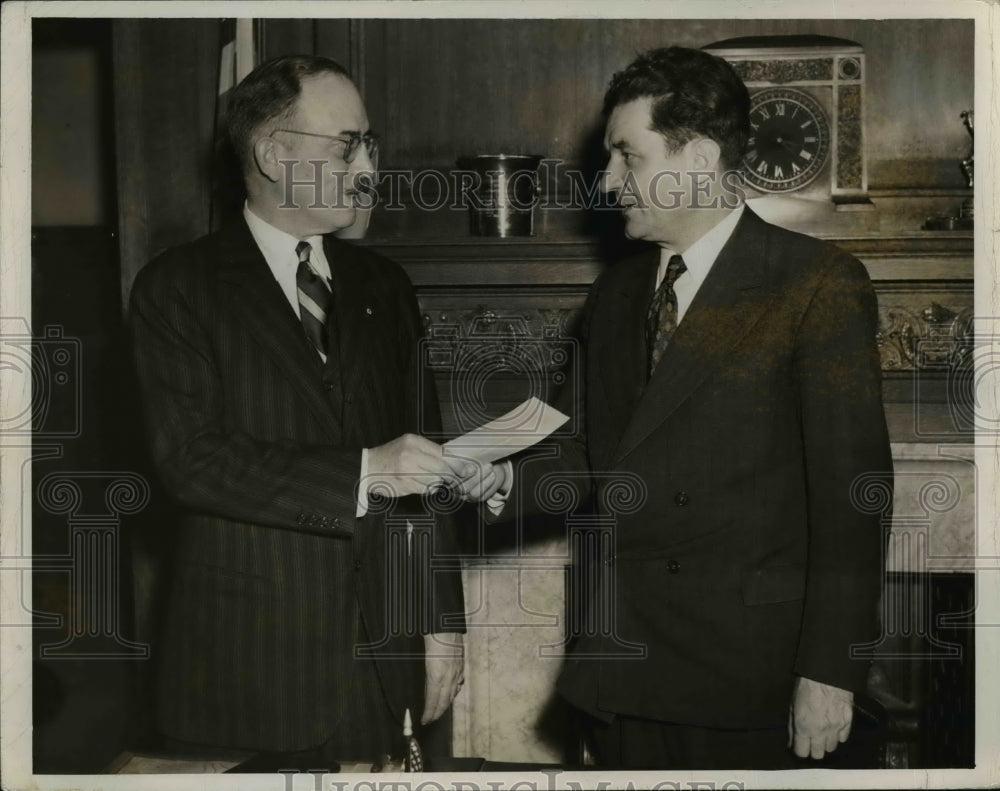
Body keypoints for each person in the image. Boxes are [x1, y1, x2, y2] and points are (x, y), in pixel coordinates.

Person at [466, 46, 893, 770]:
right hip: (624, 666)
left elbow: (854, 499)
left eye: (627, 158)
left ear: (698, 158)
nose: (608, 183)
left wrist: (829, 669)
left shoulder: (817, 284)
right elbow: (582, 454)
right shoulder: (616, 296)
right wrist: (501, 477)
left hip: (753, 679)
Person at [129, 55, 469, 765]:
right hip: (242, 671)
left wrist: (441, 624)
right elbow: (191, 459)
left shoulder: (386, 285)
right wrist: (364, 469)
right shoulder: (179, 287)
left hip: (380, 664)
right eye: (348, 144)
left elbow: (426, 469)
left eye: (369, 144)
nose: (369, 167)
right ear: (274, 153)